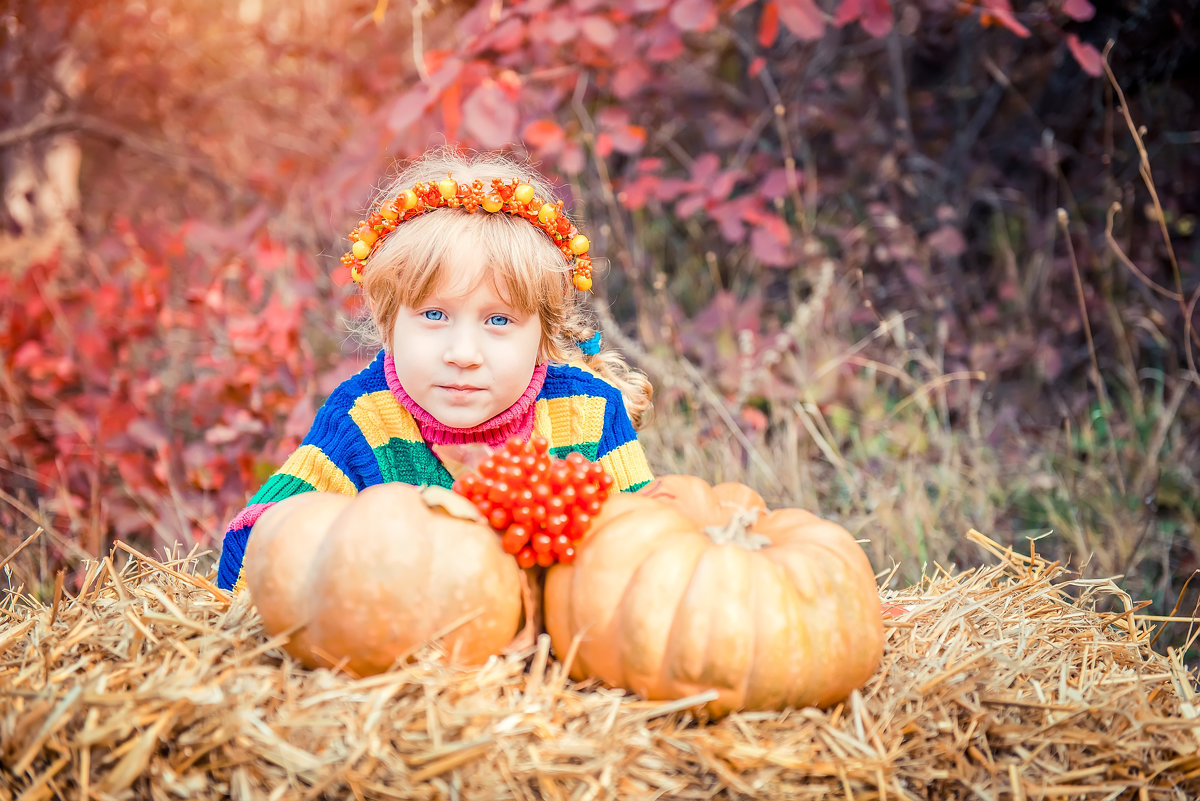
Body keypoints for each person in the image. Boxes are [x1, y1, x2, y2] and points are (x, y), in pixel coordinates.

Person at [216, 149, 654, 592]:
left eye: (498, 320)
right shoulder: (363, 420)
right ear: (389, 323)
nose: (462, 353)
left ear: (544, 334)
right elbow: (249, 544)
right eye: (434, 315)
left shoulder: (590, 412)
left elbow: (652, 552)